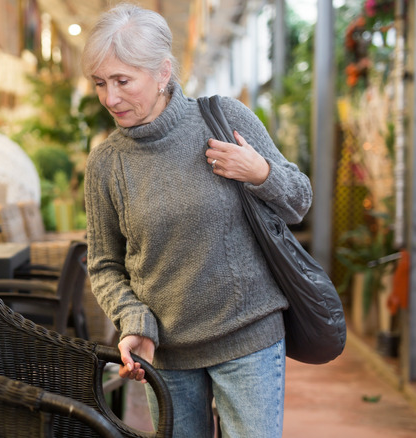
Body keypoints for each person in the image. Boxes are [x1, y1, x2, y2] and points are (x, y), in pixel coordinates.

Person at [81, 3, 312, 437]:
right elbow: (104, 265)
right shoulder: (106, 164)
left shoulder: (225, 119)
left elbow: (299, 200)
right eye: (100, 83)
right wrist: (134, 321)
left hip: (249, 342)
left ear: (162, 72)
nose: (110, 98)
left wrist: (260, 172)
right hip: (166, 357)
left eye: (122, 81)